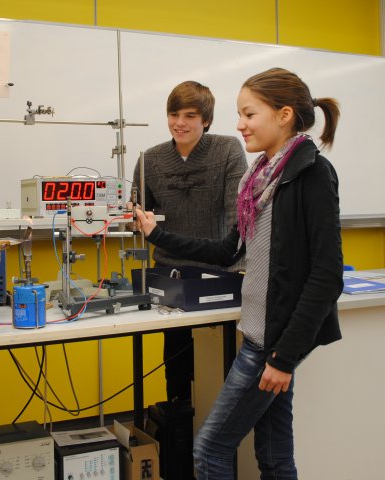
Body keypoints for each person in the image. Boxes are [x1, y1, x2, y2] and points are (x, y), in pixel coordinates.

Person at [133, 67, 343, 479]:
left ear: (284, 115)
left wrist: (284, 358)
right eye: (239, 114)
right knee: (274, 456)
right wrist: (157, 234)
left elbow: (326, 275)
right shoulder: (259, 177)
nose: (240, 124)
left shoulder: (312, 173)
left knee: (209, 449)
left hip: (273, 343)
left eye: (249, 114)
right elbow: (227, 250)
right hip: (261, 333)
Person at [132, 81, 247, 404]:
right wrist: (134, 216)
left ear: (206, 120)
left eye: (190, 116)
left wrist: (233, 263)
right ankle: (179, 421)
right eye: (174, 114)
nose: (179, 123)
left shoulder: (228, 150)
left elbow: (237, 219)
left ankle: (216, 429)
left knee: (220, 365)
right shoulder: (150, 160)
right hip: (171, 277)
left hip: (219, 273)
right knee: (177, 366)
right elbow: (138, 211)